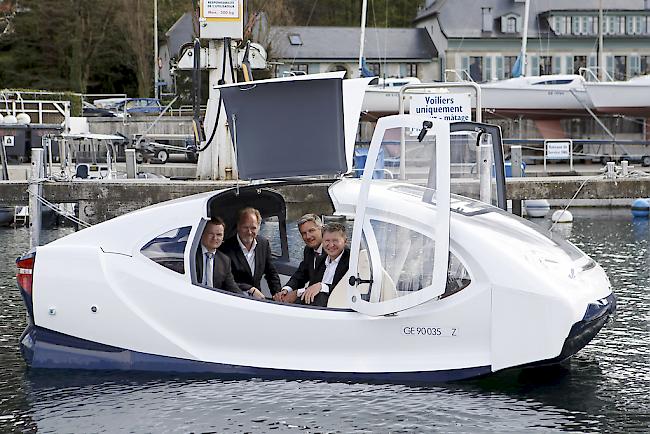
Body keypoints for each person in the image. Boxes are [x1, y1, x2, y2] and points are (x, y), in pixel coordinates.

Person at [220, 207, 281, 299]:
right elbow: (224, 281)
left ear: (259, 227)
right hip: (234, 298)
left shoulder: (263, 244)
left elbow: (271, 273)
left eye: (253, 228)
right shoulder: (225, 248)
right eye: (245, 227)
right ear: (238, 226)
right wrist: (250, 289)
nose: (249, 232)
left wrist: (277, 294)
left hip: (257, 299)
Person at [298, 222, 350, 307]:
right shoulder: (320, 260)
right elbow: (312, 287)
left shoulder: (351, 261)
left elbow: (348, 289)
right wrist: (297, 293)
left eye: (335, 240)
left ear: (345, 241)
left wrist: (322, 286)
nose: (331, 245)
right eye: (327, 241)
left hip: (337, 308)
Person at [275, 214, 324, 303]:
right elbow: (301, 275)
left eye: (311, 231)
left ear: (321, 229)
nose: (308, 236)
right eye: (303, 233)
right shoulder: (308, 250)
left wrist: (297, 293)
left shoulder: (333, 250)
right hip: (312, 299)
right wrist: (286, 290)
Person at [195, 217, 243, 295]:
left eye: (219, 235)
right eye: (211, 234)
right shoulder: (192, 254)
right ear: (202, 233)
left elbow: (232, 287)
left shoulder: (225, 261)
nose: (215, 238)